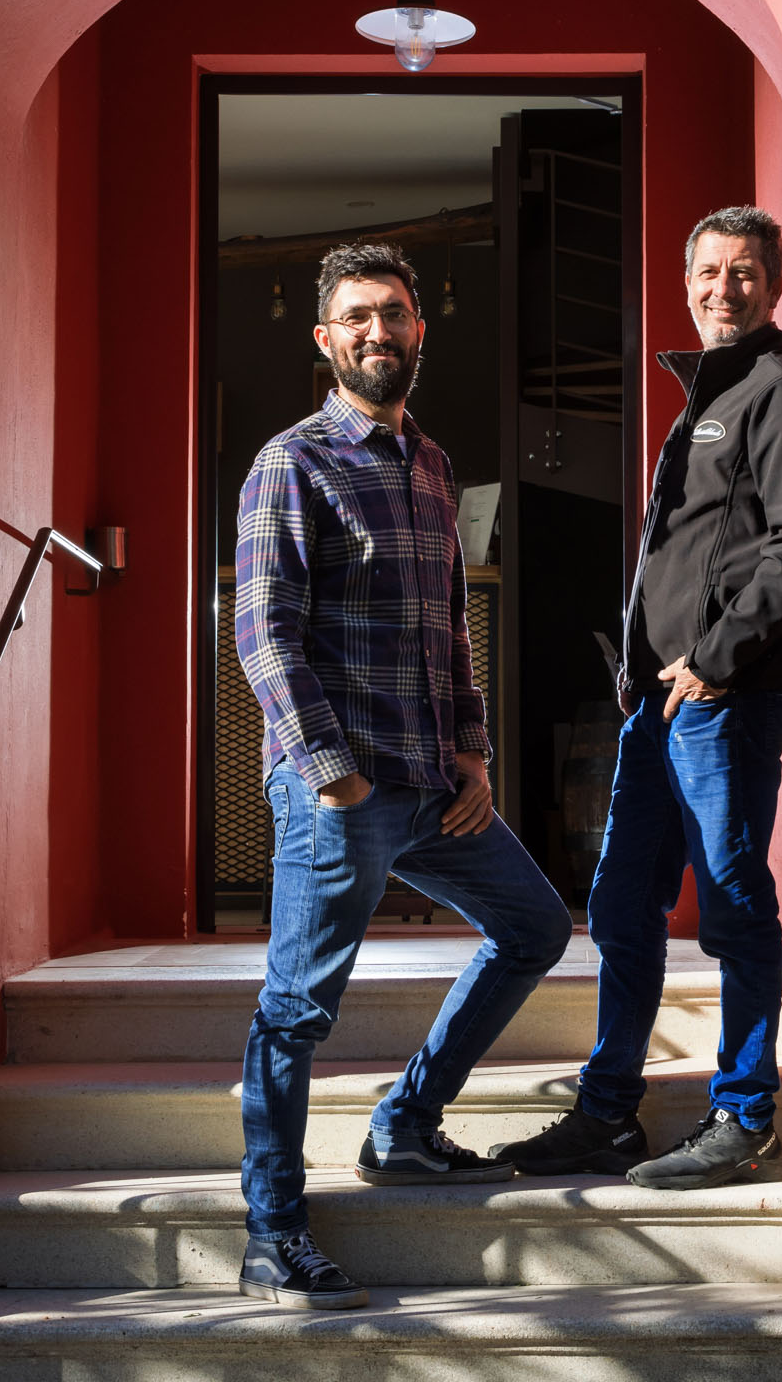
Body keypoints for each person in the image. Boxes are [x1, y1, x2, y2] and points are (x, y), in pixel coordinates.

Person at [234, 241, 573, 1308]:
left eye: (394, 311)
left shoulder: (430, 464)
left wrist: (471, 746)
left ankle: (405, 1125)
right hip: (342, 790)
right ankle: (271, 1230)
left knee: (534, 926)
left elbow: (448, 633)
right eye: (356, 317)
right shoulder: (291, 462)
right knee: (295, 1009)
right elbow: (262, 634)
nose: (377, 331)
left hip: (434, 782)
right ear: (326, 338)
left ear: (420, 329)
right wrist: (331, 774)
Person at [497, 206, 782, 1190]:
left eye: (741, 271)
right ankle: (608, 1112)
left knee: (731, 904)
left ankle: (742, 1116)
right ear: (685, 279)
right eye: (706, 271)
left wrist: (716, 656)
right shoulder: (710, 397)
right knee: (618, 904)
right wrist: (637, 666)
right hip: (662, 702)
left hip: (726, 694)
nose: (720, 288)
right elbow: (679, 547)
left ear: (772, 284)